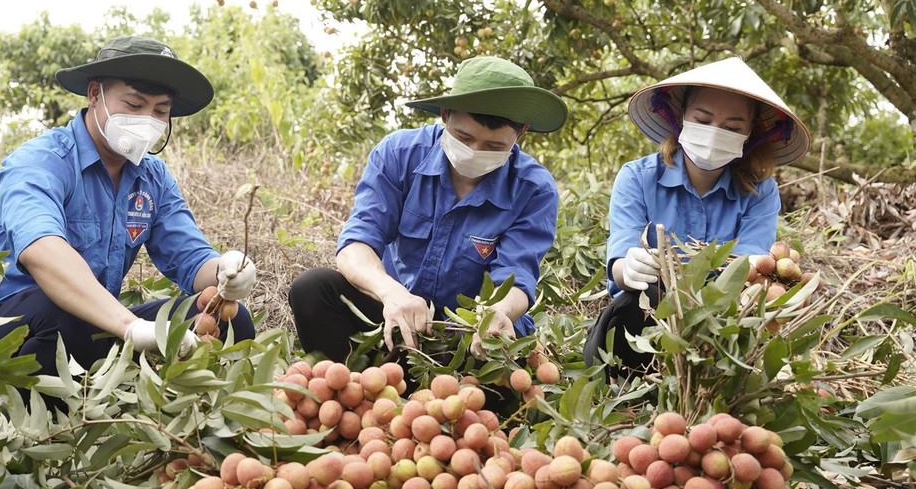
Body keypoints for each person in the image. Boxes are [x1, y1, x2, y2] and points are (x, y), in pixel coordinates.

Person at [0, 36, 258, 381]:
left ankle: (120, 381)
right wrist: (130, 325)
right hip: (8, 330)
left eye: (160, 111)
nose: (148, 121)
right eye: (134, 105)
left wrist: (227, 272)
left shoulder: (152, 178)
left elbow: (191, 260)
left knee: (230, 320)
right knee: (55, 312)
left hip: (98, 324)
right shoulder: (40, 162)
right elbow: (42, 251)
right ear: (95, 95)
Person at [289, 55, 567, 369]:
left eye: (493, 147)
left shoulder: (532, 188)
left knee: (494, 368)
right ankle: (355, 387)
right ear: (445, 115)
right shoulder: (399, 154)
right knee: (312, 289)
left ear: (522, 134)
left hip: (469, 336)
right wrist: (391, 292)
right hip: (391, 316)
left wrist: (496, 313)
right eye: (463, 138)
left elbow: (517, 280)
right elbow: (356, 246)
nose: (475, 152)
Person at [583, 56, 811, 372]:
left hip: (719, 334)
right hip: (640, 328)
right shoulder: (638, 177)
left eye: (732, 127)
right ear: (680, 119)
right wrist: (628, 266)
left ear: (749, 136)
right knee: (642, 296)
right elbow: (621, 260)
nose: (715, 133)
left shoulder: (760, 192)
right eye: (702, 120)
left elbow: (749, 272)